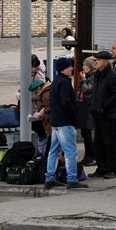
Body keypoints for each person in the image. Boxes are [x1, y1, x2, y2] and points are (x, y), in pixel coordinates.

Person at [44, 58, 88, 190]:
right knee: (70, 151)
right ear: (64, 68)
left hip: (55, 121)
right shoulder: (64, 83)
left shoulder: (56, 81)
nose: (72, 69)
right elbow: (66, 102)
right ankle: (72, 179)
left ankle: (49, 178)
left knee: (53, 151)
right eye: (70, 67)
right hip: (64, 122)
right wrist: (74, 114)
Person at [89, 50, 116, 179]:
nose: (96, 62)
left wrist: (104, 106)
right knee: (98, 143)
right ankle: (101, 168)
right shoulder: (98, 74)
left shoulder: (113, 76)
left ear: (105, 61)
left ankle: (112, 169)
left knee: (109, 143)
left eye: (98, 60)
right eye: (95, 60)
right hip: (98, 114)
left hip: (108, 115)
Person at [76, 56, 98, 166]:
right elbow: (80, 91)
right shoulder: (87, 77)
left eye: (85, 65)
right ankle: (87, 155)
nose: (83, 67)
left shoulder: (94, 77)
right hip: (83, 106)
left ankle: (93, 156)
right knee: (84, 132)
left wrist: (83, 79)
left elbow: (87, 90)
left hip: (90, 107)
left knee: (89, 133)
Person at [29, 77, 52, 156]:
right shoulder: (46, 92)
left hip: (51, 122)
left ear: (39, 88)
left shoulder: (45, 94)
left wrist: (40, 114)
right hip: (50, 122)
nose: (36, 94)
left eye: (36, 91)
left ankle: (46, 160)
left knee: (51, 141)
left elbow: (48, 107)